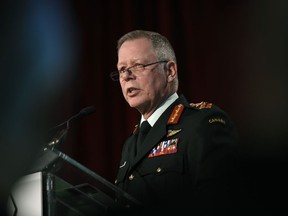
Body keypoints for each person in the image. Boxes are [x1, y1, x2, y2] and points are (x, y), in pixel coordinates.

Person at [110, 30, 241, 215]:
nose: (126, 76)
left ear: (170, 71)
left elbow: (221, 203)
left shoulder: (203, 124)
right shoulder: (130, 144)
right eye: (122, 69)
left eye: (138, 65)